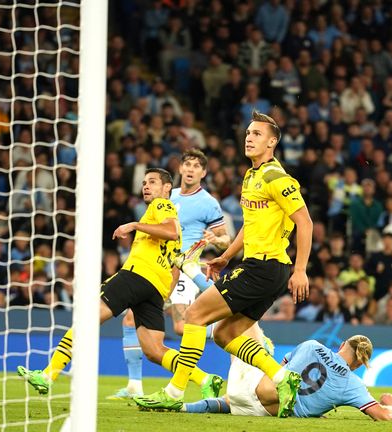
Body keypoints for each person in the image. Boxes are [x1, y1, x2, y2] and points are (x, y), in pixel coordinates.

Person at [134, 111, 313, 417]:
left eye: (256, 134)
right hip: (265, 270)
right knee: (224, 335)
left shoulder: (276, 177)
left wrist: (300, 270)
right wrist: (228, 254)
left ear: (271, 142)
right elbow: (250, 224)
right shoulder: (251, 176)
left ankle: (174, 393)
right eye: (247, 132)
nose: (249, 137)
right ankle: (284, 378)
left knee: (194, 315)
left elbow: (305, 222)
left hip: (266, 267)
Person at [17, 169, 222, 398]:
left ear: (167, 188)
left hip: (136, 275)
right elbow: (175, 263)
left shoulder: (161, 206)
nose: (146, 186)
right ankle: (204, 379)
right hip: (155, 287)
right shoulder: (159, 215)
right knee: (155, 350)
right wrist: (165, 294)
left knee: (87, 319)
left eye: (153, 182)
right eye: (144, 182)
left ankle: (48, 375)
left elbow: (171, 232)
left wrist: (134, 225)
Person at [112, 149, 231, 400]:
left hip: (184, 269)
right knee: (130, 320)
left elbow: (226, 238)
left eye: (196, 166)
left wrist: (215, 240)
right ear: (179, 169)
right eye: (186, 164)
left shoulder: (208, 202)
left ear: (204, 173)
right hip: (158, 269)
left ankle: (227, 329)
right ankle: (134, 384)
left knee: (180, 326)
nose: (190, 169)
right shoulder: (169, 195)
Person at [178, 336, 392, 421]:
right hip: (267, 411)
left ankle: (183, 404)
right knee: (230, 402)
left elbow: (278, 369)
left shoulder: (312, 345)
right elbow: (384, 417)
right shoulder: (353, 384)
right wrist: (391, 405)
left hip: (252, 386)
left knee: (240, 337)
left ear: (341, 345)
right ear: (360, 363)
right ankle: (186, 406)